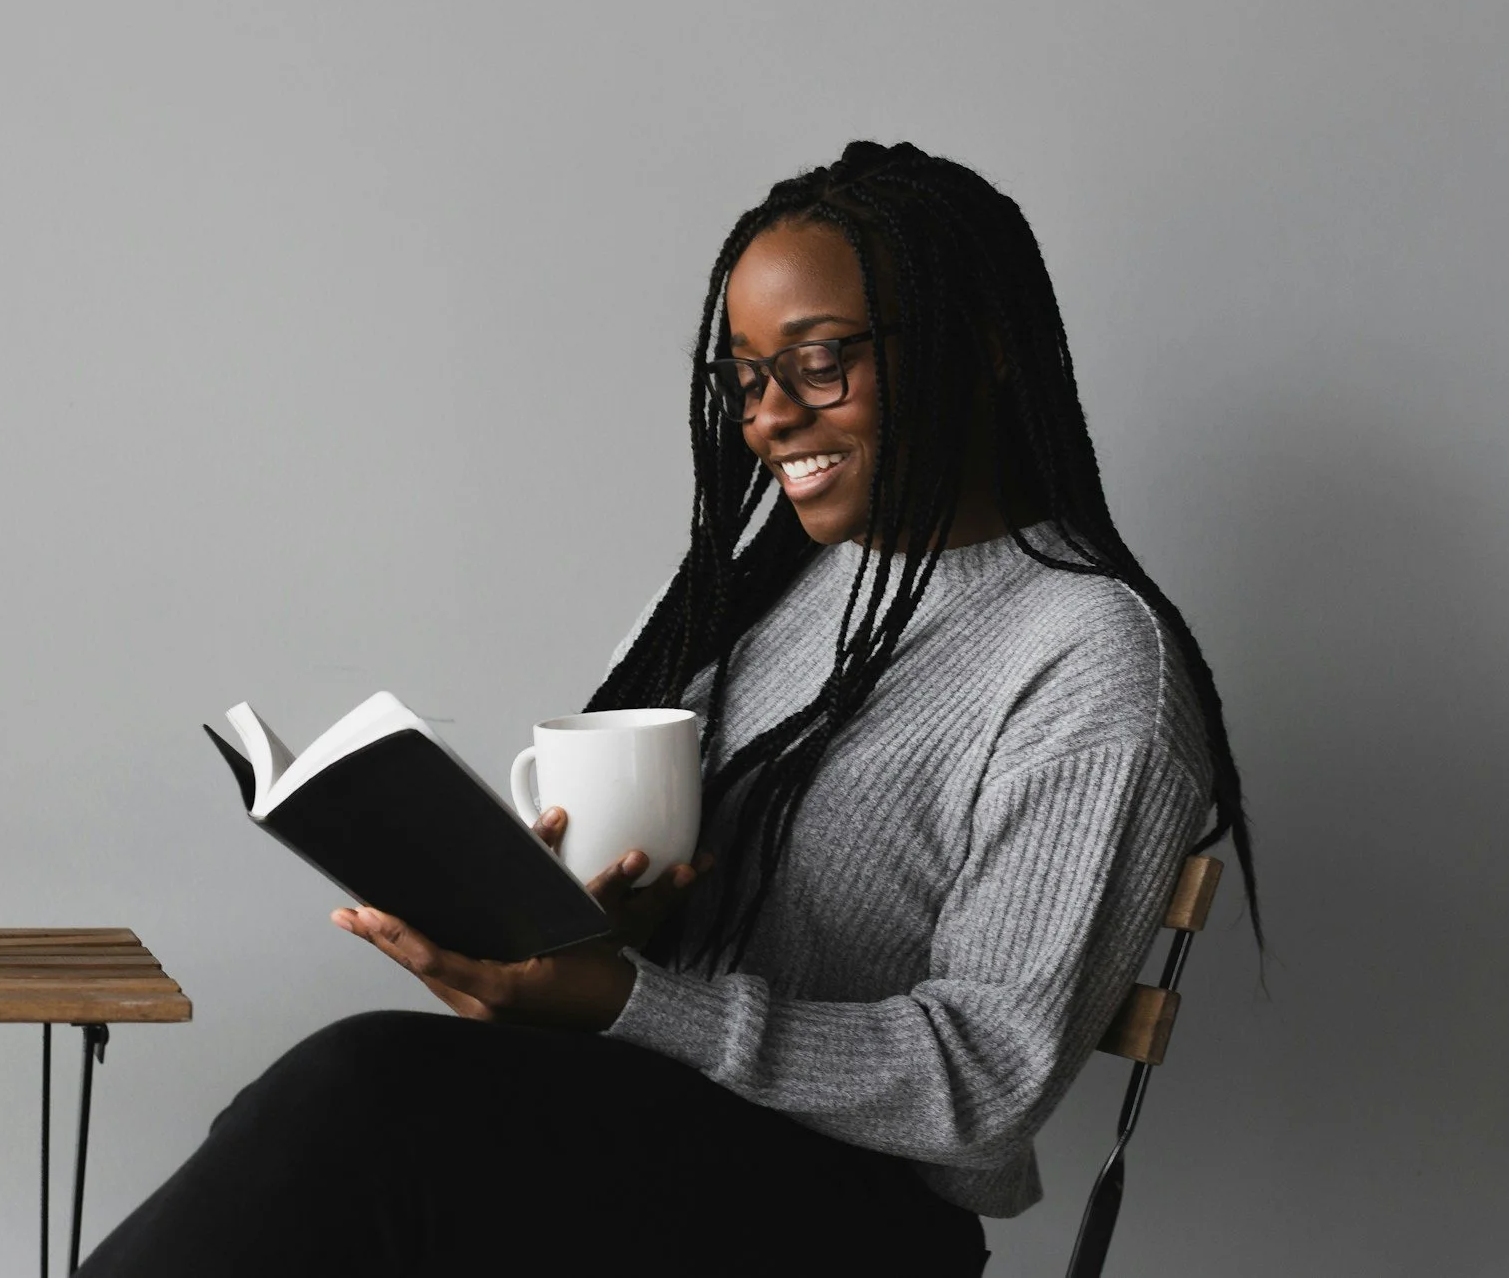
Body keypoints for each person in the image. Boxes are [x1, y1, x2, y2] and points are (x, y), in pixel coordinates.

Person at [79, 141, 1259, 1277]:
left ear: (984, 345)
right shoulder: (750, 593)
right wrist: (574, 943)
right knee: (319, 1134)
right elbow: (670, 948)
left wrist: (636, 1000)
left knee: (362, 1098)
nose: (767, 415)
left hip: (852, 1223)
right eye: (744, 375)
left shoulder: (1090, 657)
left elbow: (987, 1080)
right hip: (657, 1145)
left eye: (818, 358)